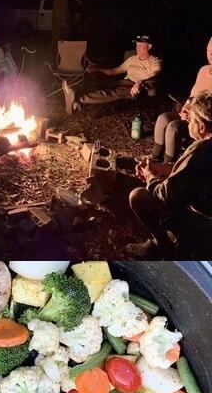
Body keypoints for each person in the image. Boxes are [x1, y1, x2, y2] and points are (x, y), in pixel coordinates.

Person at [128, 91, 212, 258]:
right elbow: (195, 172)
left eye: (190, 121)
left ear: (201, 127)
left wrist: (150, 176)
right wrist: (162, 168)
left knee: (138, 196)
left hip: (206, 224)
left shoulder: (201, 149)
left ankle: (164, 246)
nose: (187, 123)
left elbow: (166, 197)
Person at [64, 35, 161, 113]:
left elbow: (156, 74)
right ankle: (76, 105)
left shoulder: (154, 62)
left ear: (149, 46)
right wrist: (98, 69)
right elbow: (115, 71)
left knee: (111, 93)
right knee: (103, 87)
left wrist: (140, 82)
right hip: (125, 82)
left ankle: (77, 98)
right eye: (137, 45)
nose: (137, 48)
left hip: (140, 88)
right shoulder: (133, 59)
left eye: (141, 46)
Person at [151, 37, 212, 162]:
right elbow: (192, 96)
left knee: (173, 127)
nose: (210, 54)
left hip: (203, 122)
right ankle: (155, 158)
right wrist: (185, 108)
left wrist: (194, 115)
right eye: (209, 50)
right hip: (190, 114)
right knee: (163, 118)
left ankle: (167, 165)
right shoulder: (203, 70)